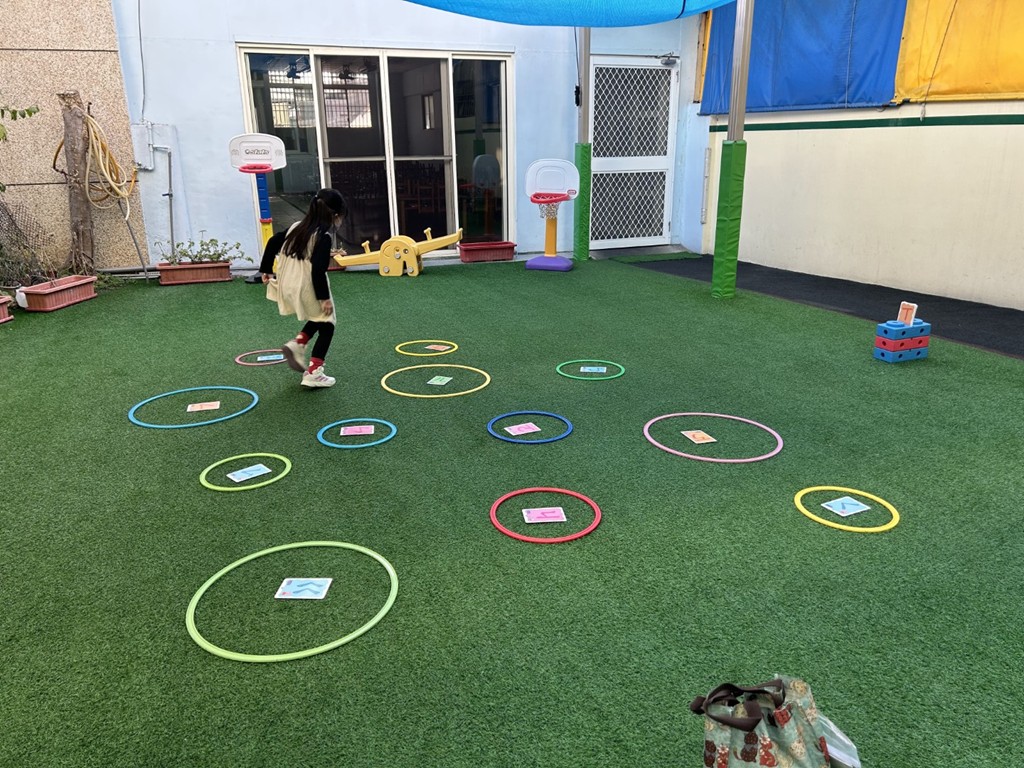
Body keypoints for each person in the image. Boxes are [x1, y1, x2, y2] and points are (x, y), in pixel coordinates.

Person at [259, 188, 347, 388]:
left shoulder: (297, 227)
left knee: (319, 318)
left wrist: (266, 269)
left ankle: (298, 343)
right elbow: (318, 270)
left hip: (287, 283)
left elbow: (272, 241)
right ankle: (314, 372)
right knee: (328, 323)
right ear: (334, 215)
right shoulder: (323, 237)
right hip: (306, 286)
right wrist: (324, 298)